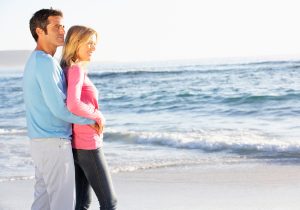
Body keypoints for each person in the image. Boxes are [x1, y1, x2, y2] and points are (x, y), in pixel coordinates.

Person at [23, 9, 99, 210]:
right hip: (54, 144)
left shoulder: (35, 60)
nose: (62, 30)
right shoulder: (45, 63)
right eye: (56, 26)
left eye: (63, 26)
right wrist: (91, 121)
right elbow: (60, 109)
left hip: (40, 143)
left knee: (43, 203)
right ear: (40, 31)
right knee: (62, 204)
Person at [60, 25, 117, 210]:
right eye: (89, 43)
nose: (94, 48)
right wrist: (97, 116)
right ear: (76, 44)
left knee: (83, 203)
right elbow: (73, 104)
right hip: (88, 144)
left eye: (95, 44)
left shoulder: (66, 70)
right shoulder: (76, 70)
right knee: (110, 203)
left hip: (76, 144)